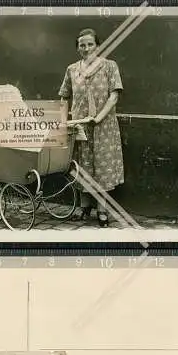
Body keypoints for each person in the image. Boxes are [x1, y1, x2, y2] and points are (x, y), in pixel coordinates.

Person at [59, 28, 124, 227]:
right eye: (82, 45)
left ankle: (102, 210)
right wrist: (64, 121)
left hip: (103, 126)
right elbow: (64, 96)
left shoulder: (109, 66)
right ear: (78, 48)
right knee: (81, 166)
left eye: (90, 44)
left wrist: (98, 118)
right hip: (79, 126)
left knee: (102, 167)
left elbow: (114, 96)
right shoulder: (72, 69)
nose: (86, 48)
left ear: (97, 45)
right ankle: (84, 207)